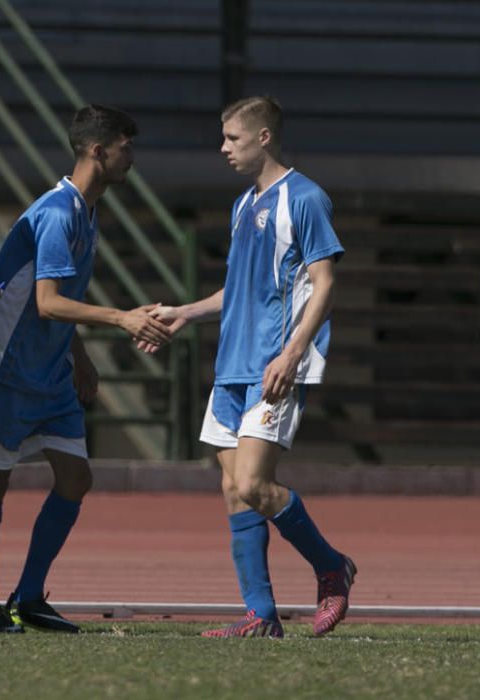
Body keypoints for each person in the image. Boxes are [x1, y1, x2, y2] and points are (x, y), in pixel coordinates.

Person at [147, 96, 356, 638]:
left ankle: (332, 567)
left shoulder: (306, 199)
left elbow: (325, 284)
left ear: (263, 138)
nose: (223, 148)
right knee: (233, 490)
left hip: (272, 366)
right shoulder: (244, 205)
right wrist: (186, 313)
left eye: (232, 139)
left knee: (256, 484)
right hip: (231, 366)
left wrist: (291, 354)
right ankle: (260, 616)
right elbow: (240, 290)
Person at [0, 104, 172, 634]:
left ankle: (28, 597)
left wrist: (78, 358)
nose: (133, 158)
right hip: (7, 365)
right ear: (98, 151)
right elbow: (48, 302)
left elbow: (60, 302)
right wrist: (122, 318)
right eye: (127, 148)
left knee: (76, 478)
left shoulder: (87, 210)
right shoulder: (58, 213)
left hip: (51, 370)